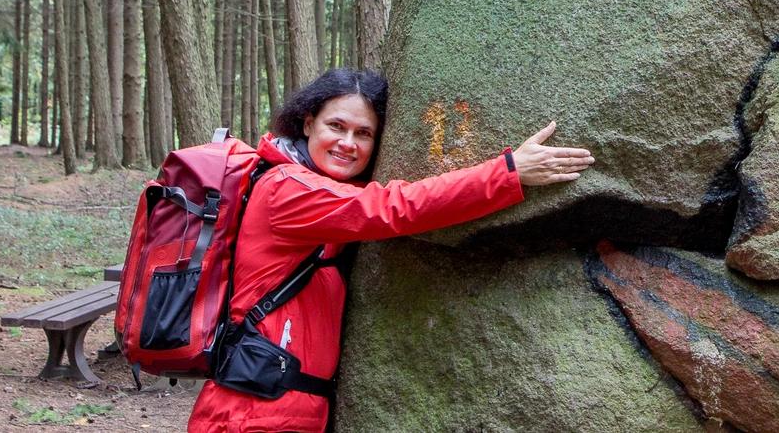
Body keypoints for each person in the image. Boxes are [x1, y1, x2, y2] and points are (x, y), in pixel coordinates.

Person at [187, 68, 593, 433]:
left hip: (281, 408)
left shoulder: (317, 191)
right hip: (252, 414)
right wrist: (508, 173)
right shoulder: (288, 189)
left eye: (363, 133)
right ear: (308, 123)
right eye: (336, 126)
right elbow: (394, 207)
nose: (347, 143)